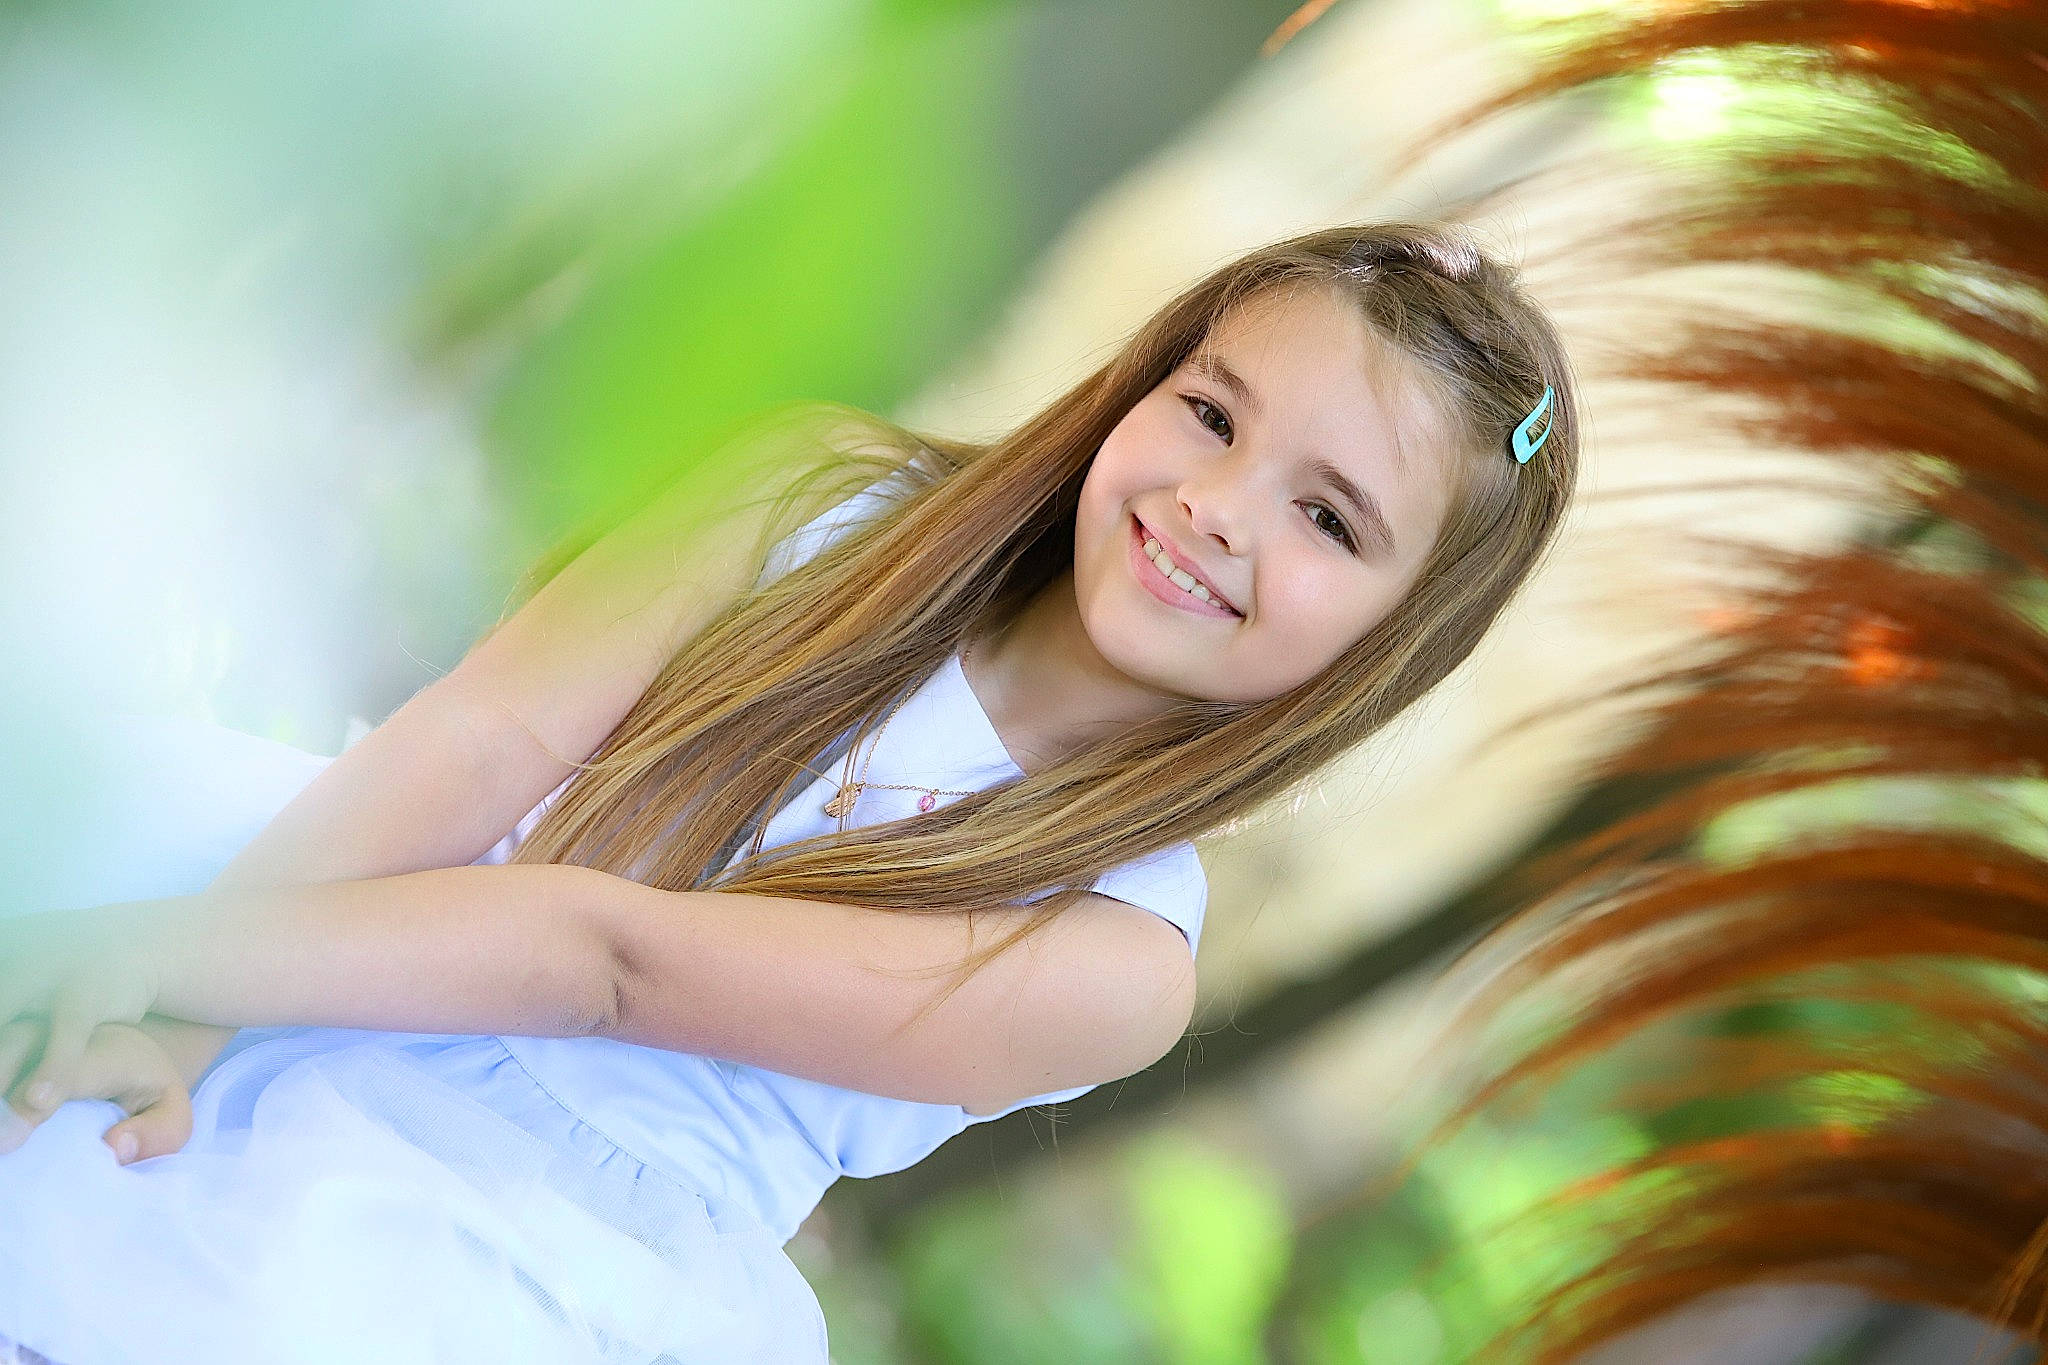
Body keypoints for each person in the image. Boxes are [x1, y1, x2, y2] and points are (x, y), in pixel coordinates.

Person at [0, 222, 1580, 1364]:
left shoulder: (1115, 955)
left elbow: (608, 964)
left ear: (1393, 637)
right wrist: (193, 999)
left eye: (1327, 516)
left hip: (527, 1232)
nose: (1213, 507)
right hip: (328, 928)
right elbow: (482, 737)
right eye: (1213, 412)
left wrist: (151, 954)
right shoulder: (813, 502)